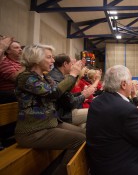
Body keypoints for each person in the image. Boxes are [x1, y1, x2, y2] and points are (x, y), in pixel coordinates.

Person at [15, 44, 86, 175]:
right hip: (33, 130)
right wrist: (72, 74)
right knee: (79, 140)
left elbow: (62, 92)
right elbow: (53, 92)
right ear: (36, 59)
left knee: (84, 134)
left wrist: (74, 75)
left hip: (49, 123)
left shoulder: (45, 77)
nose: (53, 61)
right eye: (49, 57)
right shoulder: (25, 78)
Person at [48, 54, 96, 128]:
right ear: (65, 64)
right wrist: (84, 95)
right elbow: (71, 103)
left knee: (83, 126)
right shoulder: (57, 77)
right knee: (97, 112)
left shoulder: (58, 75)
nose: (73, 66)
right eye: (72, 63)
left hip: (64, 111)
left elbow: (67, 94)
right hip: (63, 114)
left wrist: (81, 93)